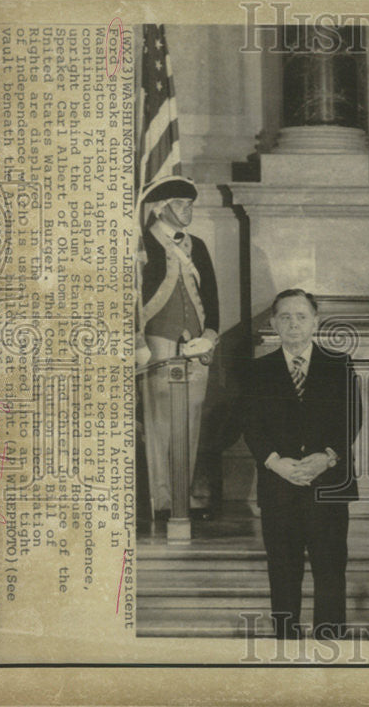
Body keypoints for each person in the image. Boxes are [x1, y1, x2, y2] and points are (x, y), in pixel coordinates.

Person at [243, 289, 362, 640]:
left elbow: (352, 417)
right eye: (285, 317)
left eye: (301, 317)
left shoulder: (338, 364)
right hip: (278, 485)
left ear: (315, 321)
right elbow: (250, 425)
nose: (293, 324)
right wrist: (275, 463)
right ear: (273, 324)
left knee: (330, 571)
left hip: (328, 485)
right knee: (283, 572)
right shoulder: (257, 370)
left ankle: (330, 648)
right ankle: (286, 648)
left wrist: (327, 457)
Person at [137, 175, 219, 521]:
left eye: (189, 205)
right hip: (157, 340)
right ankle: (161, 499)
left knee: (191, 418)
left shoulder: (195, 245)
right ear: (160, 207)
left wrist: (211, 334)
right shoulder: (141, 244)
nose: (188, 211)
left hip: (195, 341)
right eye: (181, 205)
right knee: (159, 422)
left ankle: (182, 498)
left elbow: (212, 294)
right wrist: (136, 341)